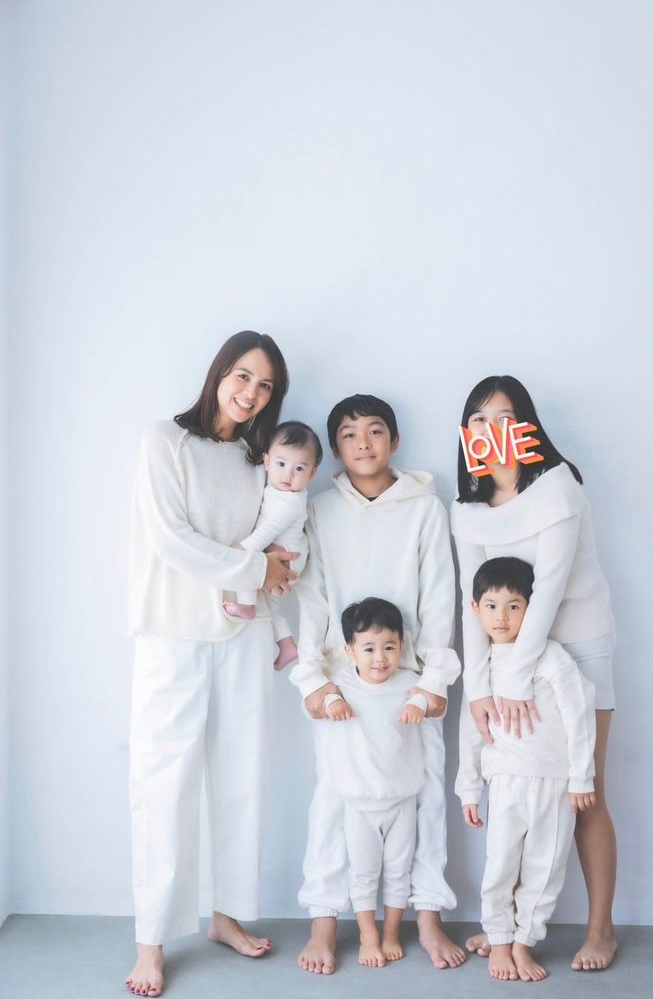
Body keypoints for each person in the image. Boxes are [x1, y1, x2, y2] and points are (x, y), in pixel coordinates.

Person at [125, 331, 304, 998]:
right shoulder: (163, 441)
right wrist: (258, 569)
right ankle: (151, 940)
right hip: (172, 634)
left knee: (241, 777)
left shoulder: (259, 460)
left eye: (265, 385)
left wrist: (275, 575)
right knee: (163, 783)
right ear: (219, 372)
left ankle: (227, 915)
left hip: (244, 633)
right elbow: (173, 540)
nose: (251, 392)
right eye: (243, 375)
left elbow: (277, 542)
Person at [290, 394, 464, 974]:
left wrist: (434, 679)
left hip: (409, 681)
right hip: (342, 684)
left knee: (426, 797)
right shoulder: (320, 509)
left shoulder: (424, 508)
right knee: (332, 800)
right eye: (348, 434)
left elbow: (438, 595)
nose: (362, 443)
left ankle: (428, 917)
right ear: (335, 448)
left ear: (394, 439)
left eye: (374, 431)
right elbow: (312, 596)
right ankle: (323, 921)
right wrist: (313, 680)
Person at [451, 375, 617, 972]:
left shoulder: (557, 485)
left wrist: (517, 678)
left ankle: (601, 930)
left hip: (575, 644)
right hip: (506, 656)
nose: (490, 428)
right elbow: (473, 603)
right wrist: (480, 689)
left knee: (584, 788)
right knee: (514, 791)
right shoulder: (466, 508)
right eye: (478, 419)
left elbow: (547, 589)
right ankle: (508, 928)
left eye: (503, 417)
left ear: (525, 425)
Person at [456, 557, 596, 982]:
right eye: (491, 605)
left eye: (514, 606)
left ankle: (523, 943)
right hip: (506, 780)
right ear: (476, 609)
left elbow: (579, 715)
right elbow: (471, 730)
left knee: (545, 868)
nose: (501, 616)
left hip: (555, 782)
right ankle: (499, 939)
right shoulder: (481, 667)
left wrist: (581, 777)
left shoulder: (549, 656)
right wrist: (468, 790)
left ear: (531, 610)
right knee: (500, 865)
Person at [320, 597, 432, 968]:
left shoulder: (410, 683)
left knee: (399, 871)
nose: (380, 658)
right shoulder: (342, 684)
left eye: (389, 647)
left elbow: (432, 699)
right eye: (369, 648)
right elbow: (321, 695)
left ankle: (392, 933)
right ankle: (368, 935)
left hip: (402, 799)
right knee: (364, 873)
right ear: (350, 651)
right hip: (360, 803)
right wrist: (333, 701)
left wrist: (419, 703)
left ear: (402, 645)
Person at [222, 420, 322, 671]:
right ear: (266, 461)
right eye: (281, 464)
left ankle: (247, 605)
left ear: (312, 473)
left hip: (288, 556)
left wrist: (242, 550)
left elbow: (268, 532)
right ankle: (287, 644)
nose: (288, 475)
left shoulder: (290, 502)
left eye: (299, 468)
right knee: (272, 605)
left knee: (248, 565)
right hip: (288, 550)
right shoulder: (277, 490)